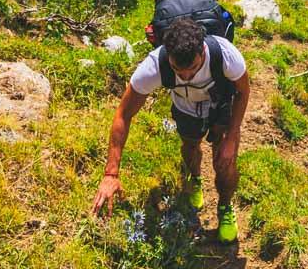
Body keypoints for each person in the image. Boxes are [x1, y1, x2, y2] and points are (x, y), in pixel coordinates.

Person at [90, 16, 250, 243]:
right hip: (186, 108)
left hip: (221, 103)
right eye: (178, 70)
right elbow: (123, 114)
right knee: (190, 146)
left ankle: (224, 205)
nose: (186, 76)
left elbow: (244, 91)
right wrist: (110, 174)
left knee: (225, 160)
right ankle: (194, 179)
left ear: (202, 51)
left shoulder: (225, 55)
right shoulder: (155, 65)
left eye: (193, 69)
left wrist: (232, 137)